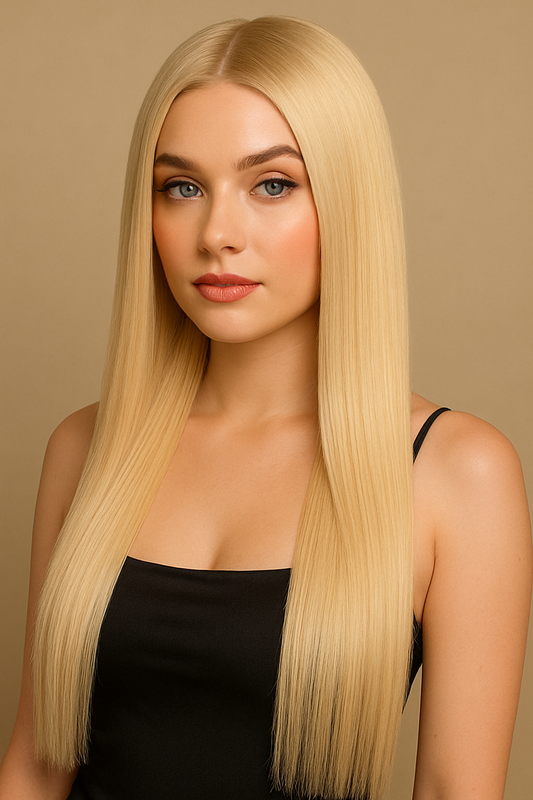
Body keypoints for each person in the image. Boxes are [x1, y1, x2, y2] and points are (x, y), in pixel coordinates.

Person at [0, 15, 531, 800]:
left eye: (272, 184)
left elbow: (457, 787)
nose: (217, 233)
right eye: (181, 187)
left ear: (346, 202)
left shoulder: (457, 474)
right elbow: (37, 766)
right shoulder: (84, 447)